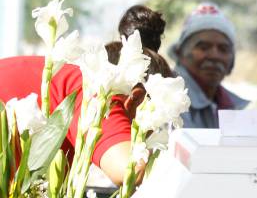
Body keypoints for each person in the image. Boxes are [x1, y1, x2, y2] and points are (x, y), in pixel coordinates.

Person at [0, 46, 172, 186]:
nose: (148, 139)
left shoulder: (61, 78)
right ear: (137, 99)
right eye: (155, 126)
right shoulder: (97, 92)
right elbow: (130, 171)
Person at [168, 2, 248, 129]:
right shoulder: (165, 100)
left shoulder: (234, 108)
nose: (214, 56)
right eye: (203, 47)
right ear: (179, 53)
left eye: (223, 49)